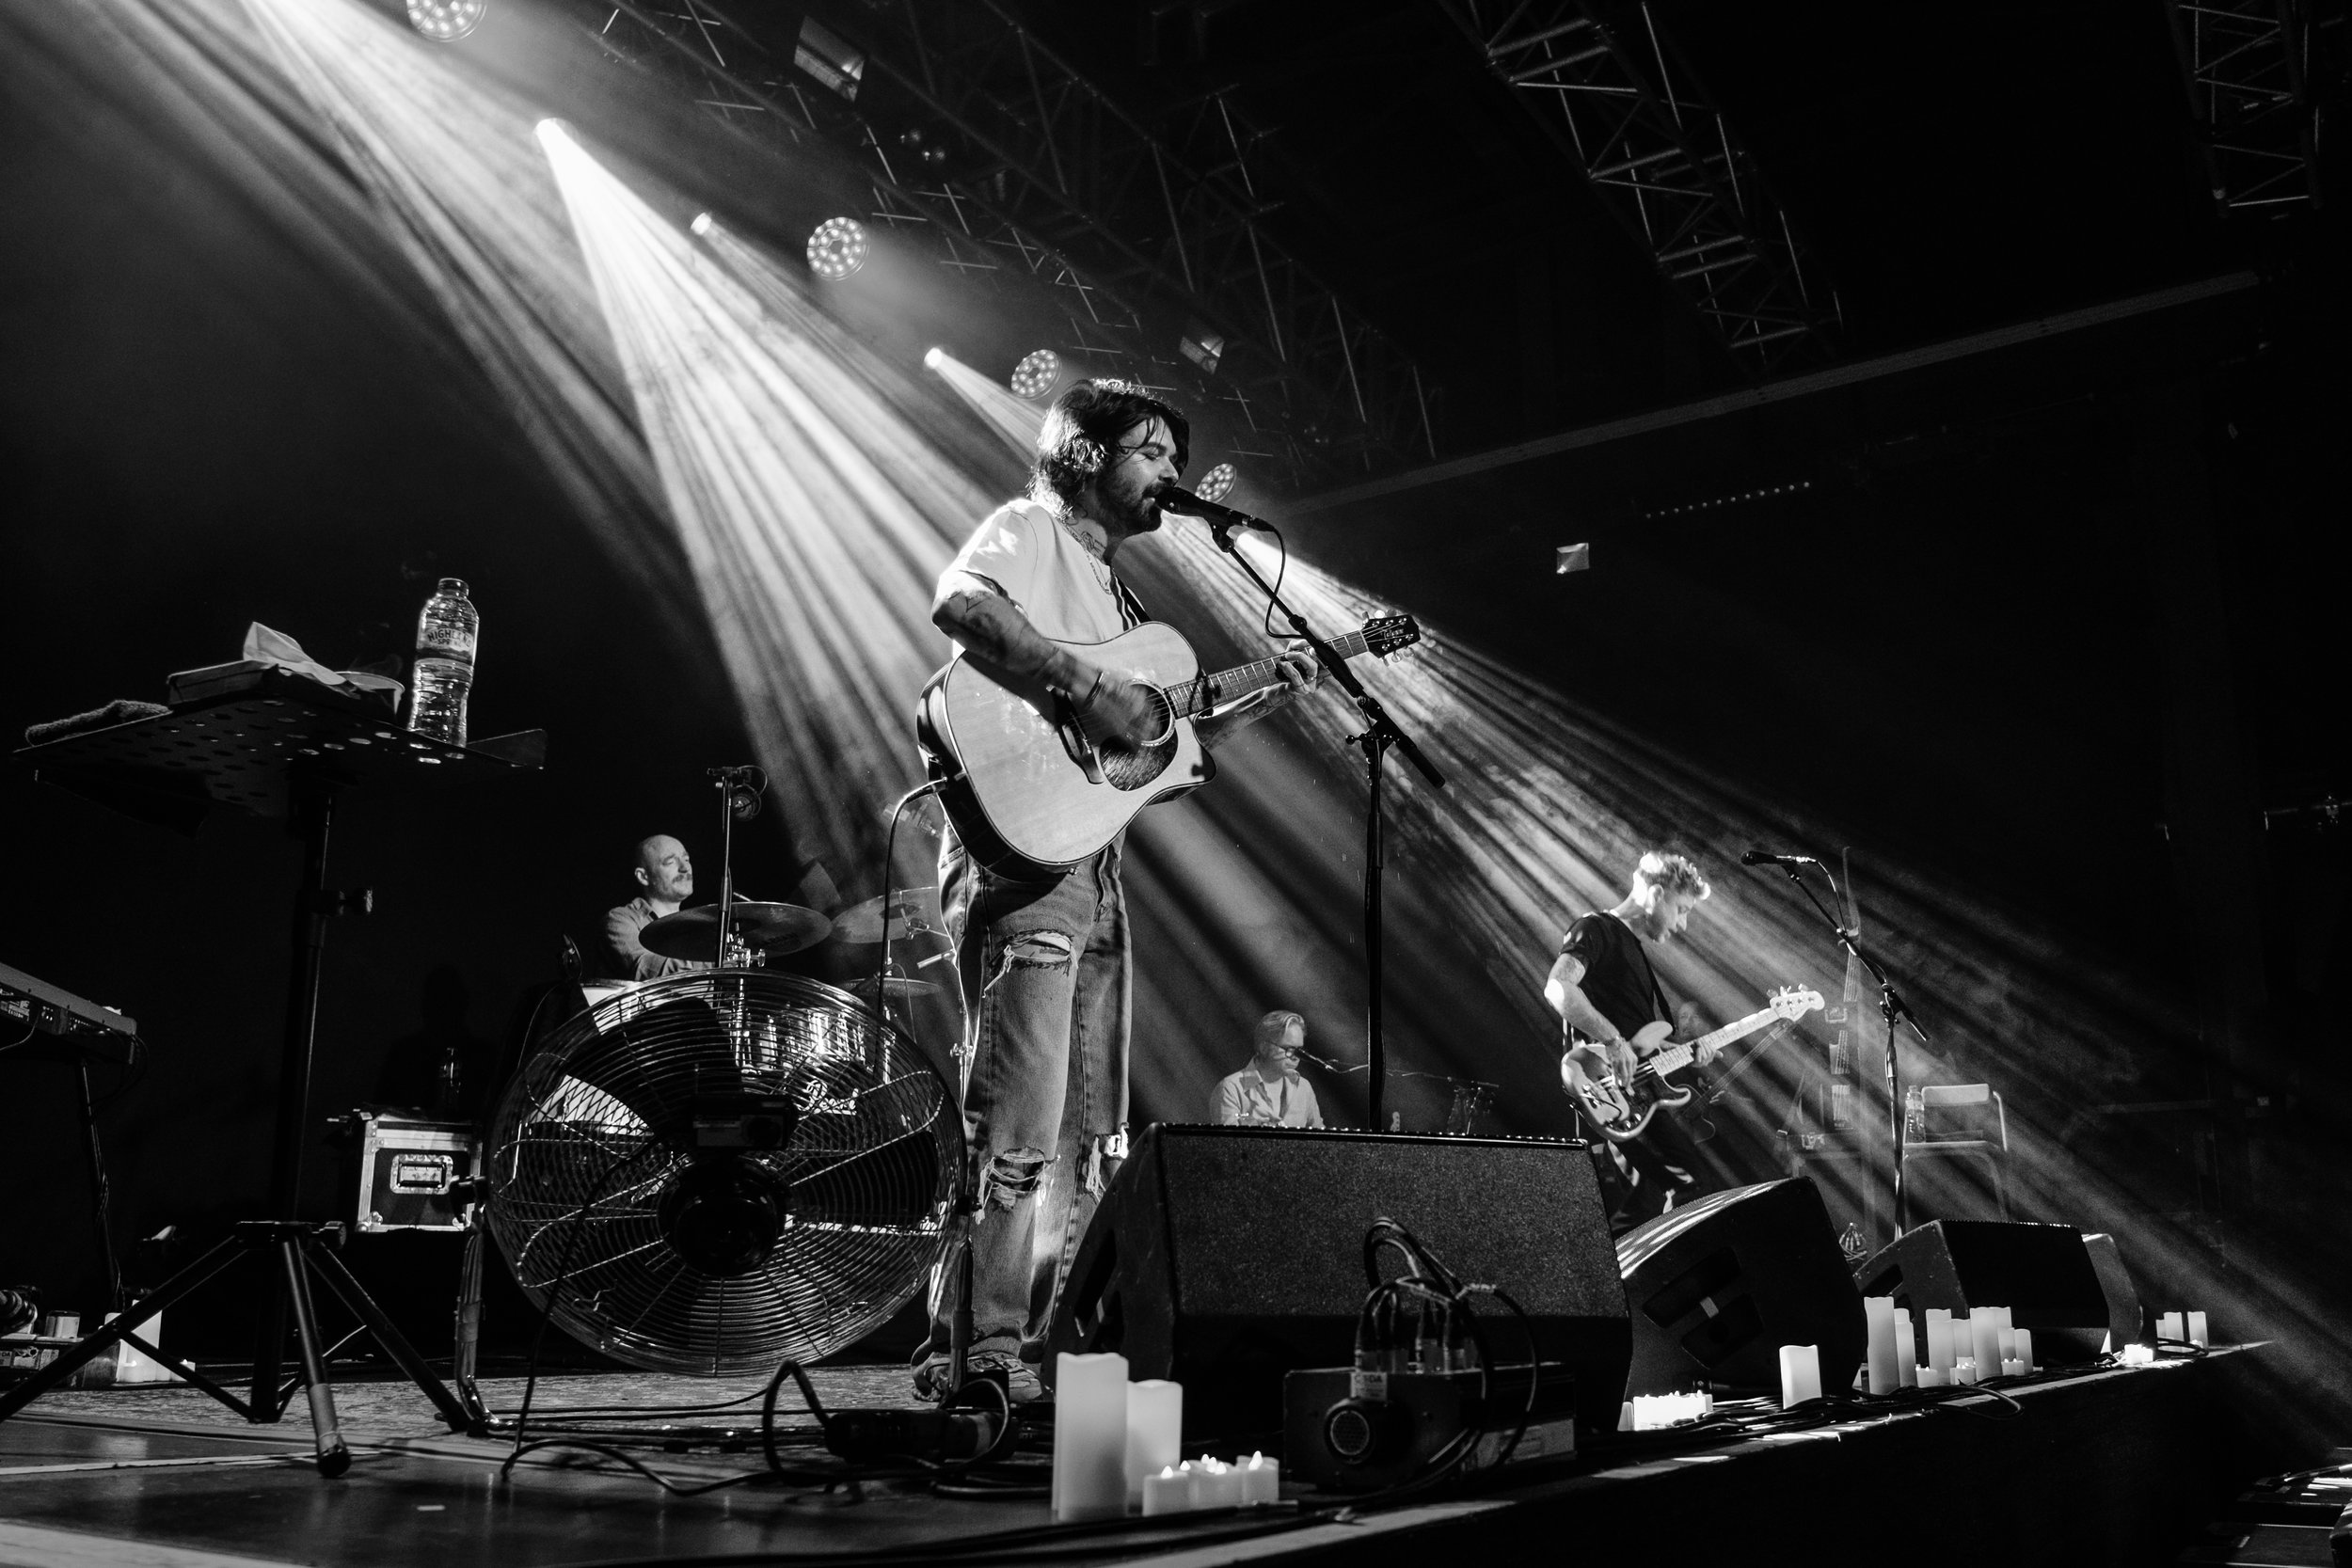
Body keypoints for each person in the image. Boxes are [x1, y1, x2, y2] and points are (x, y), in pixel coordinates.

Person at [913, 379, 1320, 1402]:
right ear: (1084, 454)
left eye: (1176, 464)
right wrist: (1086, 685)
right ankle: (977, 1351)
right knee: (1015, 1126)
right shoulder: (1029, 528)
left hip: (1095, 870)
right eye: (1151, 454)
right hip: (1024, 867)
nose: (1170, 479)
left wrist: (1265, 688)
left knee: (1093, 1133)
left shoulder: (1125, 603)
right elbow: (961, 606)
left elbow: (1159, 754)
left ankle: (1054, 1354)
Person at [1544, 850, 1718, 1232]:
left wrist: (1687, 1053)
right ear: (1656, 895)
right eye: (1682, 909)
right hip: (1606, 1091)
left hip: (1634, 1097)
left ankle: (1621, 1288)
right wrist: (1612, 1040)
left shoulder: (1633, 950)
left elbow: (1639, 1042)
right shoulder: (1596, 929)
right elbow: (1558, 987)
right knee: (1692, 1183)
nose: (1683, 924)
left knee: (1643, 1205)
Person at [596, 834, 709, 981]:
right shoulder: (620, 920)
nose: (685, 868)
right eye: (670, 862)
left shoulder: (697, 928)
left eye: (686, 859)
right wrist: (717, 964)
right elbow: (645, 969)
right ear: (643, 876)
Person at [1211, 1010, 1325, 1128]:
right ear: (1264, 1047)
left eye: (1300, 1051)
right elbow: (1227, 1143)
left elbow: (1321, 1140)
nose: (1296, 1057)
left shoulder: (1303, 1087)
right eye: (1289, 1049)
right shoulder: (1231, 1089)